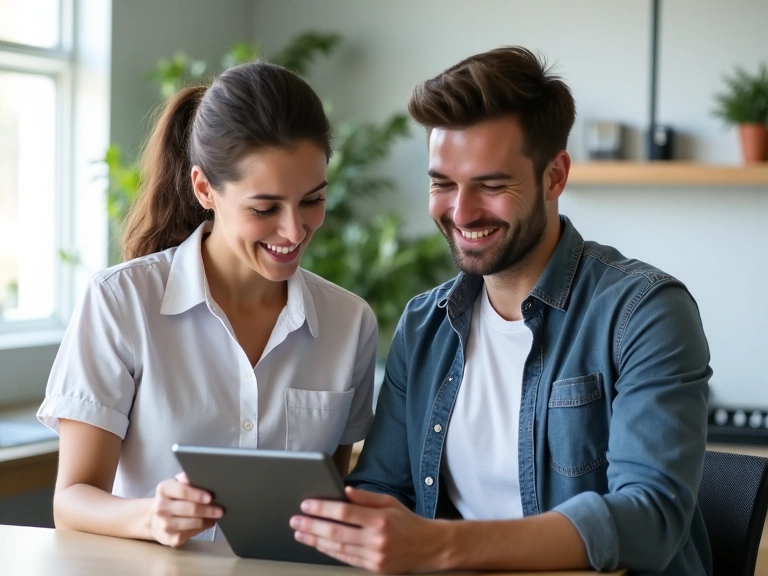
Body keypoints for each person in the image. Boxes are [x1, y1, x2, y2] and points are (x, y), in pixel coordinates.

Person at [290, 46, 712, 575]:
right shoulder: (424, 326)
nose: (461, 213)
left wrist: (441, 546)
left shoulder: (645, 313)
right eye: (442, 184)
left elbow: (650, 519)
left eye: (491, 186)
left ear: (554, 176)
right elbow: (382, 489)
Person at [37, 61, 377, 547]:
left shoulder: (350, 323)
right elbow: (71, 501)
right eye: (264, 208)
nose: (293, 230)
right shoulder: (120, 302)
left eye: (312, 201)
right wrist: (150, 517)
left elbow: (327, 504)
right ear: (204, 189)